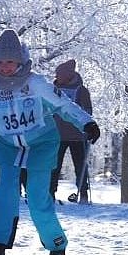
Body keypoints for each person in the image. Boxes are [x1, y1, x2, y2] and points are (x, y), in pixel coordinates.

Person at [0, 30, 99, 255]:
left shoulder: (36, 83)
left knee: (37, 196)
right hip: (7, 146)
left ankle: (56, 245)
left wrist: (86, 122)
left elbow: (64, 105)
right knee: (4, 194)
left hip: (40, 144)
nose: (4, 67)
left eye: (10, 62)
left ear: (20, 61)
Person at [50, 59, 94, 203]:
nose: (57, 77)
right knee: (53, 166)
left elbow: (87, 111)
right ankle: (50, 193)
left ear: (68, 75)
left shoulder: (80, 90)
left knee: (80, 166)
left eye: (59, 74)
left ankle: (83, 194)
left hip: (77, 136)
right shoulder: (53, 88)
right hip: (57, 135)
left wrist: (86, 127)